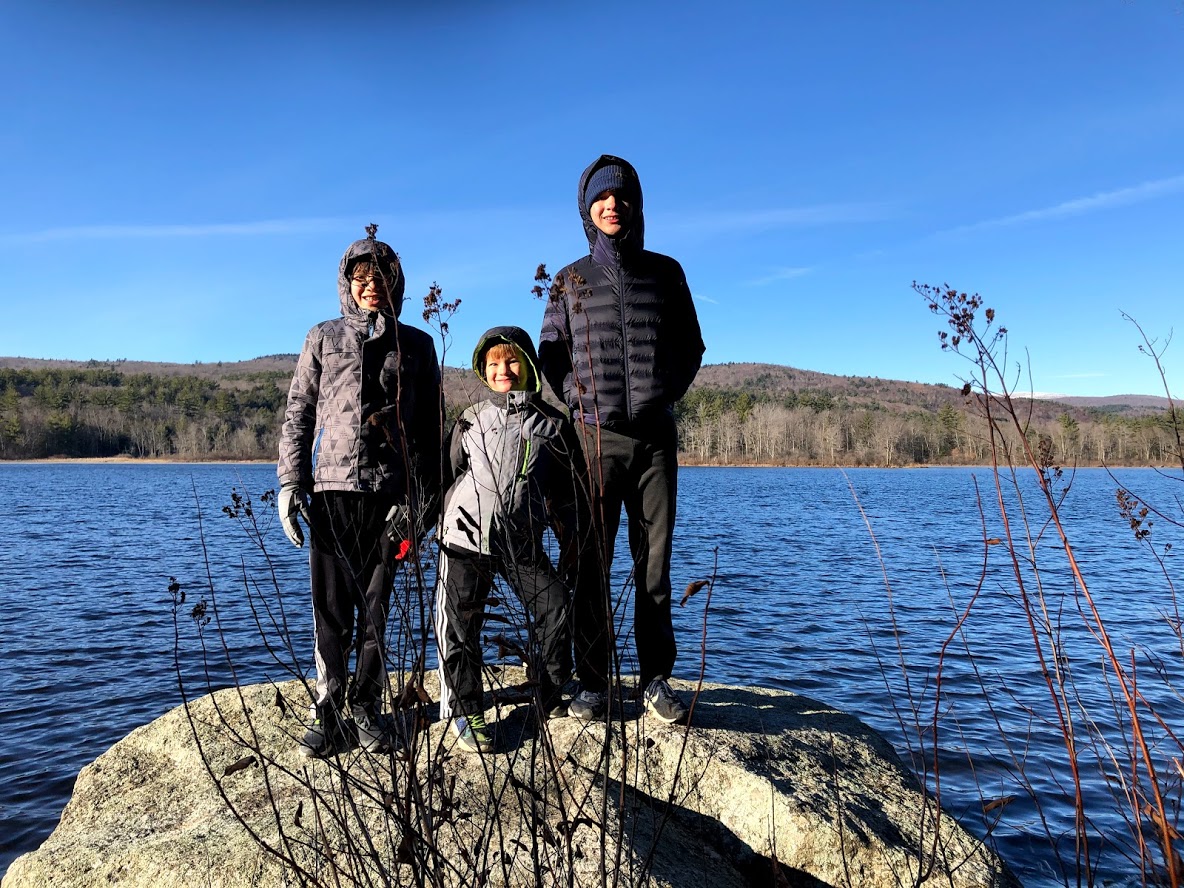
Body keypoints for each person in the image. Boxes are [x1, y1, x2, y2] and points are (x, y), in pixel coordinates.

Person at [539, 155, 705, 725]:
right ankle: (591, 682)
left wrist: (661, 394)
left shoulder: (665, 272)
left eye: (621, 197)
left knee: (653, 563)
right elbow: (550, 353)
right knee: (590, 562)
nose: (612, 206)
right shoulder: (570, 279)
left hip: (655, 442)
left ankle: (656, 679)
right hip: (594, 440)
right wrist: (579, 399)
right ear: (587, 209)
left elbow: (691, 346)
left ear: (635, 205)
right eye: (601, 198)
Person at [277, 228, 443, 757]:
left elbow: (431, 433)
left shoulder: (418, 345)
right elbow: (299, 413)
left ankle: (367, 706)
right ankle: (329, 708)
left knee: (376, 608)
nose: (371, 285)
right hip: (330, 492)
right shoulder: (322, 337)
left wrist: (420, 506)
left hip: (389, 497)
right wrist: (291, 482)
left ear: (396, 282)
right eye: (361, 277)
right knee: (330, 609)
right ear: (346, 283)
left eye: (381, 277)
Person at [434, 326, 582, 753]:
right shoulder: (471, 417)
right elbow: (449, 473)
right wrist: (424, 527)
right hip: (465, 538)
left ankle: (549, 692)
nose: (503, 370)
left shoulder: (552, 425)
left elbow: (566, 491)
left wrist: (570, 536)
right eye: (494, 363)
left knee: (555, 605)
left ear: (529, 365)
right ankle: (466, 711)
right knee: (461, 625)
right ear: (483, 370)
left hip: (521, 541)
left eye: (512, 360)